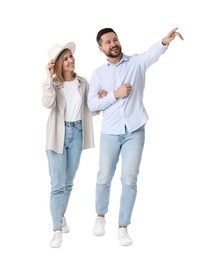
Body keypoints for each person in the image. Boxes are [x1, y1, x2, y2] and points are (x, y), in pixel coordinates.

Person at [88, 27, 184, 246]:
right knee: (104, 177)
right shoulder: (98, 74)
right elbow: (92, 104)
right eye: (108, 42)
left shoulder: (136, 63)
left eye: (115, 39)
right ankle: (100, 216)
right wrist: (114, 94)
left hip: (134, 130)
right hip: (110, 132)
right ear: (101, 48)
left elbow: (152, 53)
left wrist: (165, 41)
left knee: (129, 179)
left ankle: (123, 226)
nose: (113, 44)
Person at [42, 42, 95, 248]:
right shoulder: (53, 85)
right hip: (57, 135)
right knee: (57, 184)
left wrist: (104, 99)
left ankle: (61, 214)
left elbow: (92, 109)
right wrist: (48, 78)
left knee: (68, 183)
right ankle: (57, 229)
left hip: (78, 132)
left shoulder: (83, 82)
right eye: (65, 58)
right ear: (57, 64)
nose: (70, 60)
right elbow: (47, 103)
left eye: (71, 56)